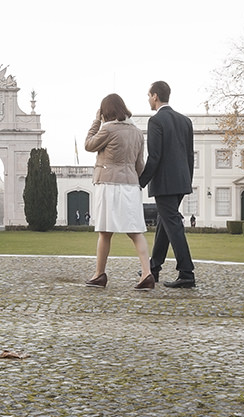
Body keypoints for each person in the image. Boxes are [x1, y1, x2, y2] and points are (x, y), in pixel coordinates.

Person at [83, 93, 154, 289]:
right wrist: (137, 182)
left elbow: (88, 145)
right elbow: (140, 164)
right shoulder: (137, 132)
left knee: (105, 232)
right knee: (135, 232)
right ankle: (147, 274)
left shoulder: (108, 129)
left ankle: (99, 274)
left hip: (108, 184)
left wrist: (96, 121)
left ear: (105, 111)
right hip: (130, 185)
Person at [138, 80, 196, 288]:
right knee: (165, 222)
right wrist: (186, 181)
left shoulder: (156, 121)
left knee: (173, 225)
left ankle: (187, 273)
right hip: (181, 182)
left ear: (155, 96)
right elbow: (190, 156)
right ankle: (154, 267)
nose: (148, 99)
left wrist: (140, 182)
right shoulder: (185, 121)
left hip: (164, 184)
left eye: (148, 95)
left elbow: (154, 157)